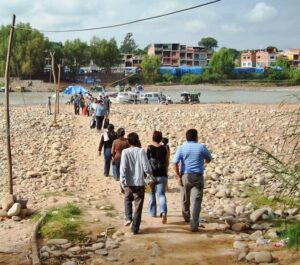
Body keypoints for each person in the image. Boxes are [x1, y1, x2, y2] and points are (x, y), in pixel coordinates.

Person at [172, 129, 212, 232]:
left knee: (185, 197)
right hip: (198, 176)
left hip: (185, 176)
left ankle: (186, 216)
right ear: (196, 137)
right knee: (196, 201)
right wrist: (203, 161)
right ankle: (194, 225)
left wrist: (177, 176)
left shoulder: (181, 148)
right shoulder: (201, 147)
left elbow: (175, 162)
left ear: (186, 137)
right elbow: (208, 159)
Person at [120, 132, 153, 235]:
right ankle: (135, 229)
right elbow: (147, 168)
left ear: (128, 141)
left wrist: (122, 181)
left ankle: (128, 217)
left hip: (128, 182)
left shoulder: (125, 152)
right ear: (137, 140)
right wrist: (148, 182)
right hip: (140, 183)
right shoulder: (141, 151)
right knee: (138, 206)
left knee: (127, 199)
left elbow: (123, 168)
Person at [147, 131, 169, 224]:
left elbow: (146, 162)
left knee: (150, 193)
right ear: (161, 138)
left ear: (153, 138)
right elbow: (167, 162)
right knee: (161, 195)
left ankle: (152, 212)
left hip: (150, 175)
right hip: (162, 174)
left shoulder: (149, 147)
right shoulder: (165, 148)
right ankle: (163, 212)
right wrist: (166, 172)